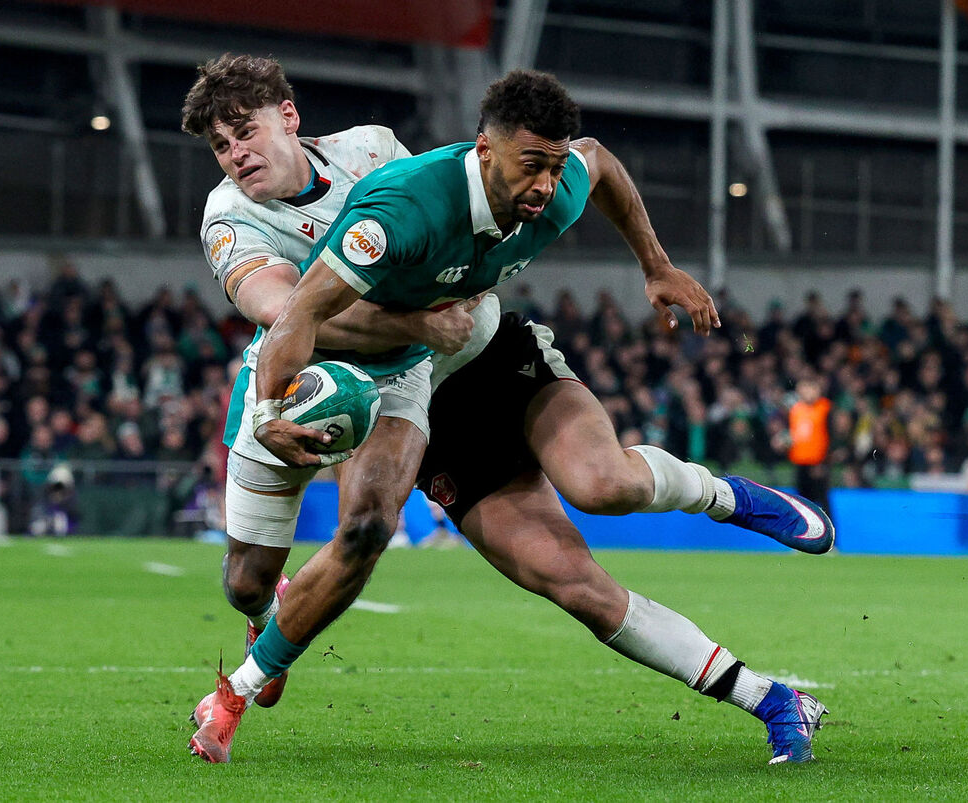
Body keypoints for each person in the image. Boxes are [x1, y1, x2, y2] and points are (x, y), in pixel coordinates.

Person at [182, 57, 832, 765]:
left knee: (600, 487)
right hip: (365, 374)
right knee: (268, 574)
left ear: (289, 116)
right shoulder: (321, 212)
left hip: (479, 358)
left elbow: (599, 163)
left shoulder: (413, 159)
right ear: (486, 151)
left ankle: (727, 508)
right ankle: (263, 623)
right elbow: (290, 314)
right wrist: (417, 327)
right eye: (222, 144)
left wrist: (655, 265)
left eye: (245, 132)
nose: (237, 153)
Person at [788, 377, 832, 513]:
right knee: (801, 502)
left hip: (818, 463)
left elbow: (831, 435)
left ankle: (828, 532)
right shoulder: (796, 410)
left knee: (822, 502)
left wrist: (823, 462)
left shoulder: (825, 408)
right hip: (800, 461)